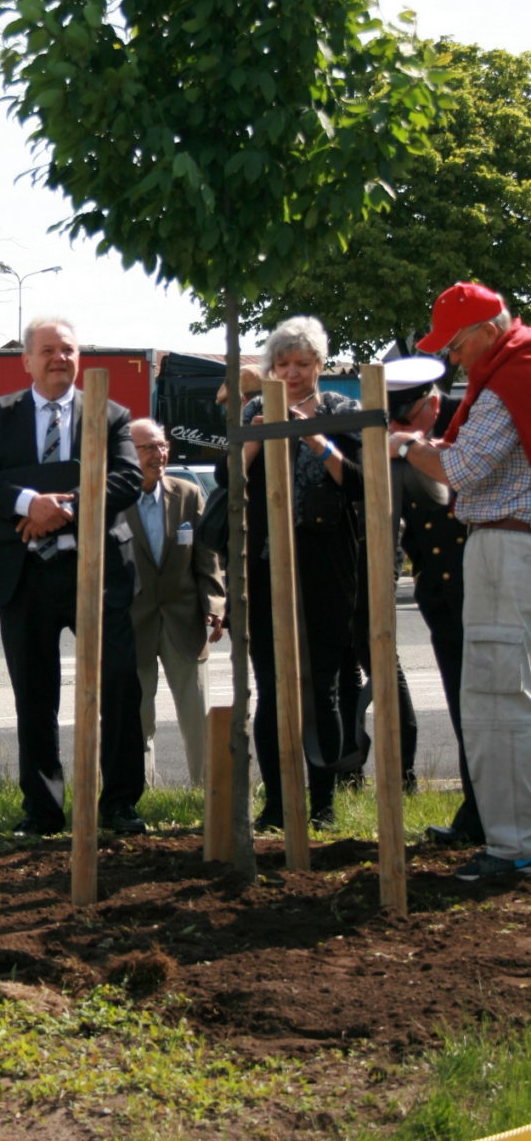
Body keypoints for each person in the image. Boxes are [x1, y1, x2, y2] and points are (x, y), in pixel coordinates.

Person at [0, 316, 145, 836]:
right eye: (47, 350)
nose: (59, 358)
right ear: (27, 359)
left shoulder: (110, 414)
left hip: (99, 574)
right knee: (35, 696)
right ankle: (42, 811)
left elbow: (128, 479)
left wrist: (64, 506)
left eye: (68, 349)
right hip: (27, 577)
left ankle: (121, 805)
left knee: (120, 691)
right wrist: (27, 501)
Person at [389, 281, 531, 881]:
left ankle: (512, 843)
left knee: (498, 696)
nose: (452, 357)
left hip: (507, 544)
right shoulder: (513, 369)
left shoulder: (509, 379)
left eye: (456, 343)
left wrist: (409, 447)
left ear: (488, 331)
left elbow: (464, 470)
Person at [235, 316, 363, 832]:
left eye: (302, 364)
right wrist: (255, 439)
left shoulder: (343, 411)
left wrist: (315, 440)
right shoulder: (253, 409)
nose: (291, 373)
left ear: (320, 365)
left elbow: (358, 483)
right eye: (282, 364)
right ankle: (276, 804)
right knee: (271, 686)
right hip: (268, 559)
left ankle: (323, 804)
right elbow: (233, 481)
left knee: (323, 687)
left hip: (329, 559)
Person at [384, 357, 481, 843]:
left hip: (484, 592)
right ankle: (478, 813)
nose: (397, 427)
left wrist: (409, 448)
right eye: (392, 419)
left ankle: (491, 814)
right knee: (465, 707)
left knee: (492, 708)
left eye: (406, 416)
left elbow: (451, 492)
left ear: (434, 403)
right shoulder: (396, 448)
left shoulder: (469, 431)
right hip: (442, 599)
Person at [124, 418, 224, 787]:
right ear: (128, 453)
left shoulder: (188, 494)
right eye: (149, 447)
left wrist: (214, 605)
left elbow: (207, 557)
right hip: (133, 624)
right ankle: (139, 792)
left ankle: (206, 792)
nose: (159, 454)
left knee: (197, 714)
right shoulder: (113, 499)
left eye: (163, 446)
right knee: (138, 716)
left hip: (184, 620)